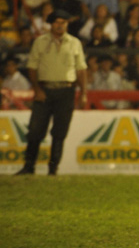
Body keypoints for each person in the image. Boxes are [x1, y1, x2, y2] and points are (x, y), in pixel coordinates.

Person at [16, 10, 87, 176]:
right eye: (57, 22)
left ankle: (53, 169)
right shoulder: (40, 42)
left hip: (67, 89)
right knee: (35, 130)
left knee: (60, 131)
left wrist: (83, 93)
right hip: (45, 89)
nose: (60, 25)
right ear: (51, 24)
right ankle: (29, 166)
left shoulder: (75, 43)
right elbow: (32, 67)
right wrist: (37, 89)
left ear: (67, 24)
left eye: (63, 22)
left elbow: (81, 69)